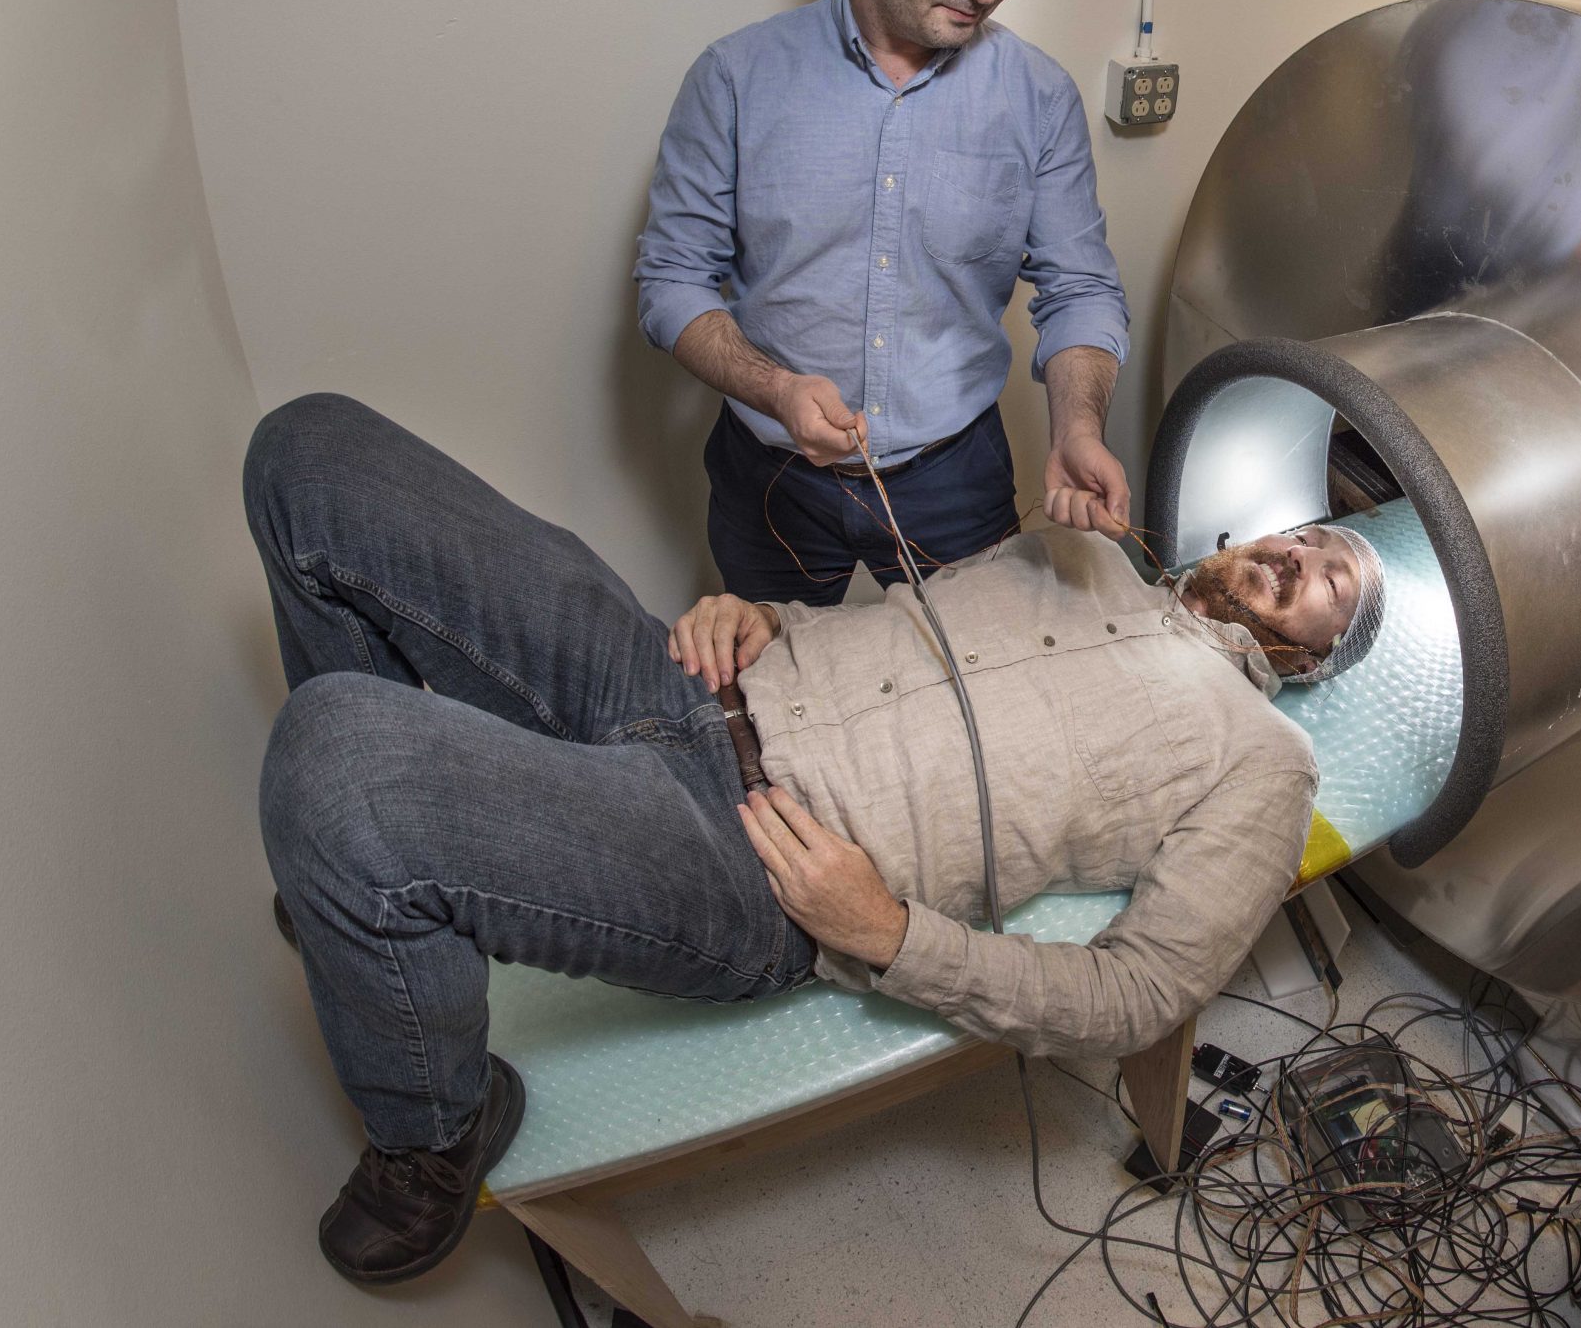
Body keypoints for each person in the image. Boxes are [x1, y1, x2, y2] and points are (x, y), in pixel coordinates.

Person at [247, 393, 1384, 1285]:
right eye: (1304, 533)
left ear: (1319, 658)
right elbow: (899, 629)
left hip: (745, 853)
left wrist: (890, 934)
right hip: (675, 674)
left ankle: (435, 1131)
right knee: (310, 458)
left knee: (335, 762)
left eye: (1331, 576)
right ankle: (376, 901)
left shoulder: (1264, 762)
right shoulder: (1082, 555)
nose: (1300, 553)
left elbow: (1140, 994)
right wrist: (761, 614)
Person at [635, 0, 1132, 605]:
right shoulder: (734, 78)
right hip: (772, 477)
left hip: (958, 473)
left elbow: (1080, 288)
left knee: (979, 672)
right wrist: (776, 389)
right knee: (775, 677)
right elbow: (671, 281)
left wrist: (1077, 428)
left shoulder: (1040, 98)